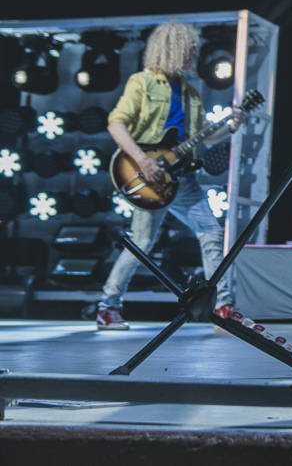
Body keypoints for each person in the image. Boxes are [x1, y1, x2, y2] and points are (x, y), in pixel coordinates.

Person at [96, 22, 242, 332]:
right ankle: (108, 306)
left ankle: (223, 306)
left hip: (182, 178)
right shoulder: (143, 83)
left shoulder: (190, 92)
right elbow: (116, 124)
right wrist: (141, 161)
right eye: (189, 47)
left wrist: (230, 126)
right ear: (173, 48)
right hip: (147, 175)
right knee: (143, 242)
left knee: (211, 234)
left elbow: (203, 136)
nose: (195, 53)